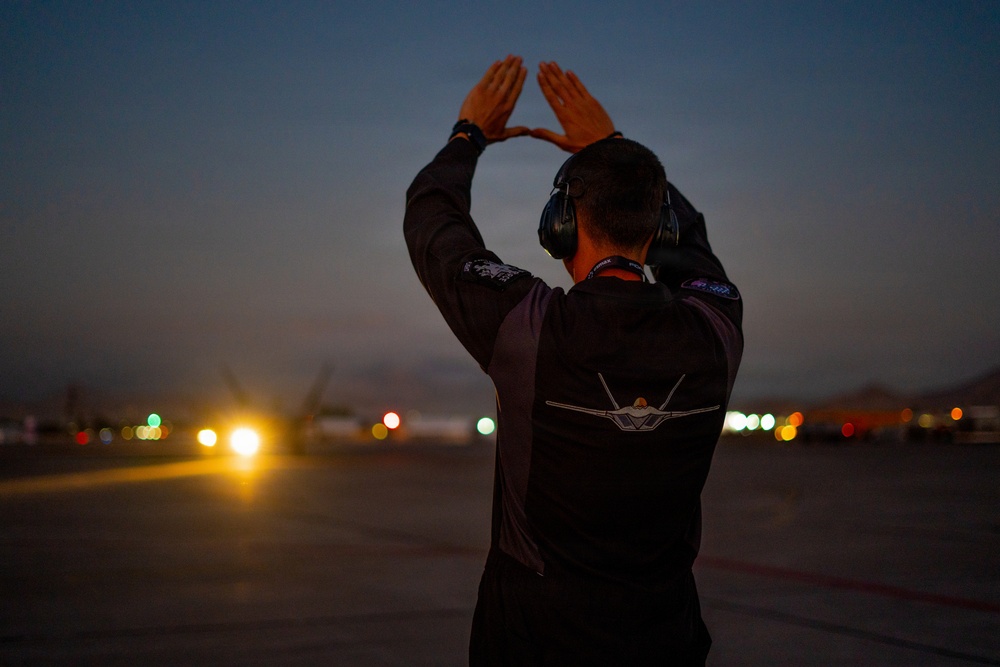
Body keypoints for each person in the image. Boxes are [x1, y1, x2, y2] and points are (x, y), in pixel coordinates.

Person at [404, 55, 743, 666]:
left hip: (532, 644)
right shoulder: (717, 329)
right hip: (666, 642)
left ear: (559, 227)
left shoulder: (529, 327)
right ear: (661, 229)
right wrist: (615, 148)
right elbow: (694, 249)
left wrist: (467, 137)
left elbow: (432, 221)